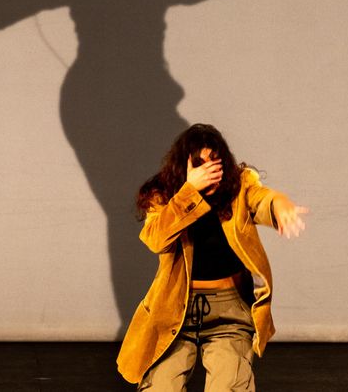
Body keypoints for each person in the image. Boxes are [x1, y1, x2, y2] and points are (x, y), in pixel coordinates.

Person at [117, 124, 308, 390]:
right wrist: (190, 192)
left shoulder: (238, 186)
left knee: (229, 386)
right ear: (184, 167)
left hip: (229, 313)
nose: (208, 171)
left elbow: (261, 199)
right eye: (199, 164)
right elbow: (155, 239)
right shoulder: (162, 194)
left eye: (214, 162)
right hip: (175, 311)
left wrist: (279, 205)